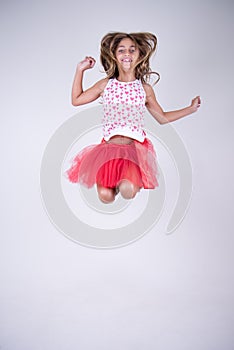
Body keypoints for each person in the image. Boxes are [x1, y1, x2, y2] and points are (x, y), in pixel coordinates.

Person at [66, 32, 201, 203]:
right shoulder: (106, 85)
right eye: (121, 50)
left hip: (132, 151)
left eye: (132, 50)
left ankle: (126, 180)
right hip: (108, 150)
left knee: (128, 191)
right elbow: (76, 100)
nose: (127, 54)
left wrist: (190, 109)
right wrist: (80, 70)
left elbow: (162, 117)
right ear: (114, 55)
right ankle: (113, 183)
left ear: (140, 55)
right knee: (106, 198)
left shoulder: (144, 89)